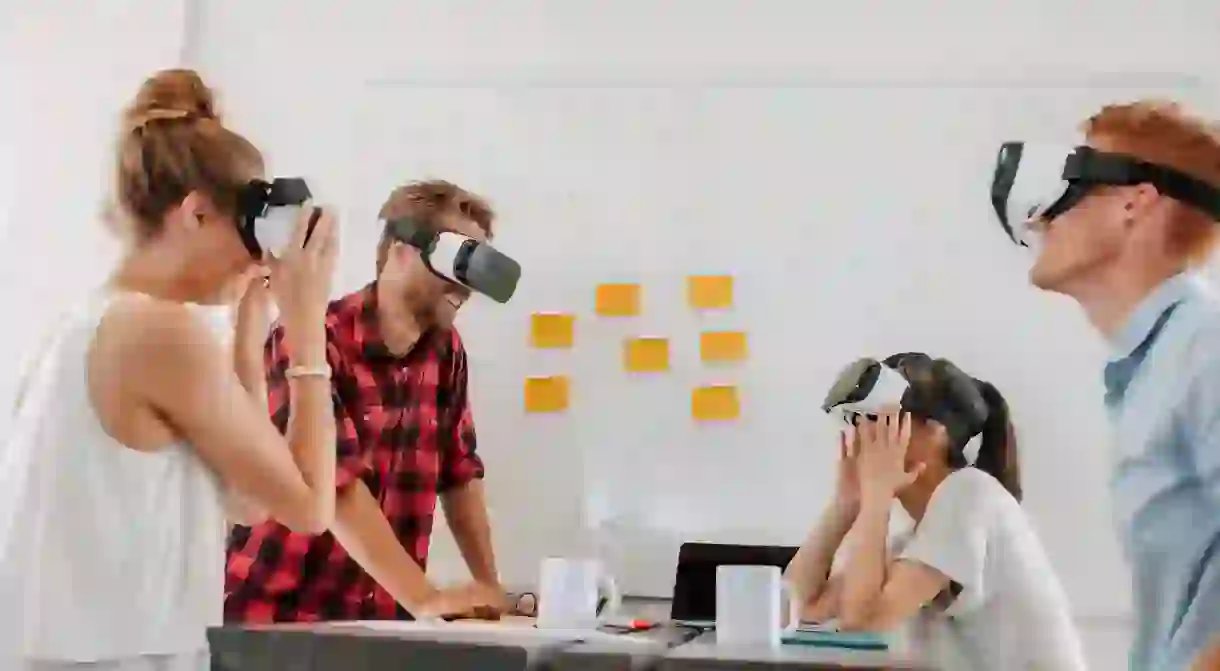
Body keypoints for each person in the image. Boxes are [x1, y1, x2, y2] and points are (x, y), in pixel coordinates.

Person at [0, 68, 339, 670]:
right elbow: (309, 507)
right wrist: (308, 328)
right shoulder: (157, 333)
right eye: (248, 232)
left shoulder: (87, 324)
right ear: (196, 215)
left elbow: (246, 500)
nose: (253, 255)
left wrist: (249, 331)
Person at [225, 179, 509, 623]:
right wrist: (424, 598)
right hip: (280, 616)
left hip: (376, 624)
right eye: (459, 260)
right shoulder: (309, 338)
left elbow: (460, 473)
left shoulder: (446, 352)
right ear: (399, 250)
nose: (466, 286)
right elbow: (335, 481)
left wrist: (491, 592)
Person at [1005, 101, 1220, 670]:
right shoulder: (1152, 367)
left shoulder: (1206, 350)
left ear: (1134, 201)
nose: (1041, 217)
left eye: (1070, 187)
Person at [784, 353, 1086, 670]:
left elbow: (863, 626)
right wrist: (844, 505)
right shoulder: (914, 542)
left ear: (935, 431)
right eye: (857, 423)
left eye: (880, 422)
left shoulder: (971, 495)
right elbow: (796, 614)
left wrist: (877, 497)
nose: (863, 436)